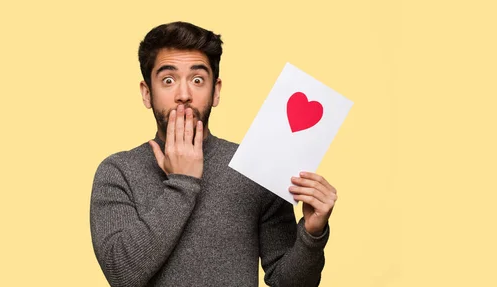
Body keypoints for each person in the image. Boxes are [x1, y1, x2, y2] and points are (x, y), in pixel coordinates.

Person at [89, 21, 338, 287]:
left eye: (197, 80)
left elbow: (289, 283)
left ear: (215, 91)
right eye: (168, 80)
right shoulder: (117, 172)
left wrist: (312, 234)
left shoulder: (256, 166)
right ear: (147, 93)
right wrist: (182, 183)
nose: (183, 95)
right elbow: (122, 275)